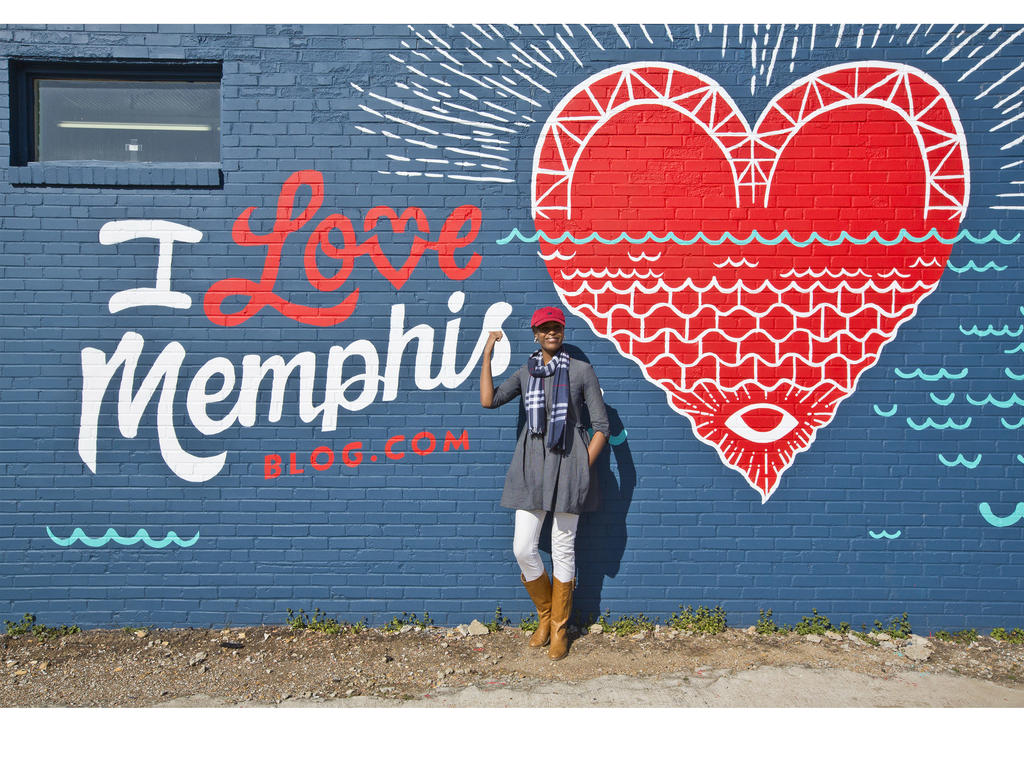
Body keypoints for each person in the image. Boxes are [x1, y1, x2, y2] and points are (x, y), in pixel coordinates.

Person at [479, 306, 609, 660]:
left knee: (563, 549)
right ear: (535, 333)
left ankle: (559, 631)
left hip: (569, 465)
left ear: (563, 332)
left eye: (557, 327)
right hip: (531, 467)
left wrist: (583, 465)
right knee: (523, 548)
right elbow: (489, 401)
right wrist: (488, 351)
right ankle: (546, 616)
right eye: (544, 328)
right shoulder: (526, 372)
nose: (551, 332)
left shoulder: (581, 371)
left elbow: (602, 426)